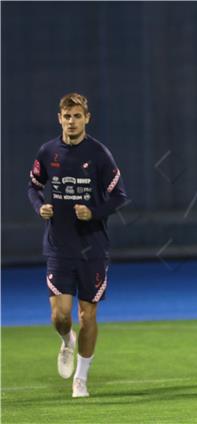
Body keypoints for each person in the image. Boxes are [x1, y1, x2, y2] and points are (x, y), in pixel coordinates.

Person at [27, 93, 128, 398]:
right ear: (59, 118)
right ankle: (66, 340)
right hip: (58, 246)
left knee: (87, 316)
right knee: (60, 316)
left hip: (92, 247)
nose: (72, 122)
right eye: (67, 116)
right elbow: (33, 186)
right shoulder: (48, 152)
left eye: (77, 116)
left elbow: (119, 195)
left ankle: (80, 379)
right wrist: (39, 207)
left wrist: (93, 212)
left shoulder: (99, 154)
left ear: (87, 118)